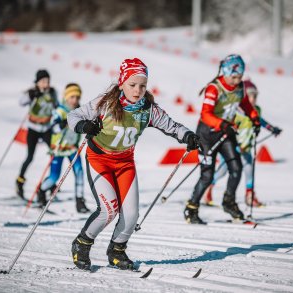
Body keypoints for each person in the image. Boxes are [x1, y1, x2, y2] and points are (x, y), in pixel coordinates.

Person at [67, 58, 199, 271]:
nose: (138, 90)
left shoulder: (147, 109)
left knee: (131, 214)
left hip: (124, 163)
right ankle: (82, 244)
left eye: (142, 85)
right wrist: (84, 125)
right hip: (99, 160)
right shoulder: (106, 103)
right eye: (132, 85)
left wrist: (187, 136)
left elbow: (171, 126)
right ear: (121, 83)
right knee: (108, 210)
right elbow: (74, 115)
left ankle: (117, 251)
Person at [185, 54, 260, 224]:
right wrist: (222, 124)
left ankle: (229, 202)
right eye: (234, 76)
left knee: (236, 167)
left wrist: (254, 118)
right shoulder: (215, 88)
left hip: (225, 133)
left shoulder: (239, 87)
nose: (237, 80)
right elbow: (205, 114)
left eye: (240, 76)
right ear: (226, 73)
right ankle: (191, 208)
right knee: (207, 174)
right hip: (206, 135)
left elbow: (245, 104)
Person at [203, 79, 282, 207]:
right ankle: (208, 189)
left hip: (246, 147)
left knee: (249, 169)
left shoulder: (256, 110)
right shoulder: (237, 111)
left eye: (255, 95)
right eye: (250, 95)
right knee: (222, 171)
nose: (253, 98)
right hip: (231, 147)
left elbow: (260, 120)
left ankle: (250, 196)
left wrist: (272, 128)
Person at [37, 83, 90, 213]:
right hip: (59, 148)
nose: (75, 100)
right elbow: (53, 128)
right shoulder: (60, 110)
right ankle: (42, 192)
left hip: (72, 148)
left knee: (79, 172)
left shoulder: (79, 111)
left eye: (77, 97)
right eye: (72, 97)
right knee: (54, 177)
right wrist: (64, 122)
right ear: (66, 97)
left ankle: (79, 201)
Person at [16, 69, 58, 199]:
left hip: (47, 129)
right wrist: (31, 94)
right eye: (43, 81)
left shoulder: (52, 92)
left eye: (47, 81)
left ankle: (50, 182)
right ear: (38, 82)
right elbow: (21, 102)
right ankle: (20, 181)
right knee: (30, 157)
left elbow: (57, 106)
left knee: (54, 155)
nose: (46, 83)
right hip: (33, 129)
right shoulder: (33, 93)